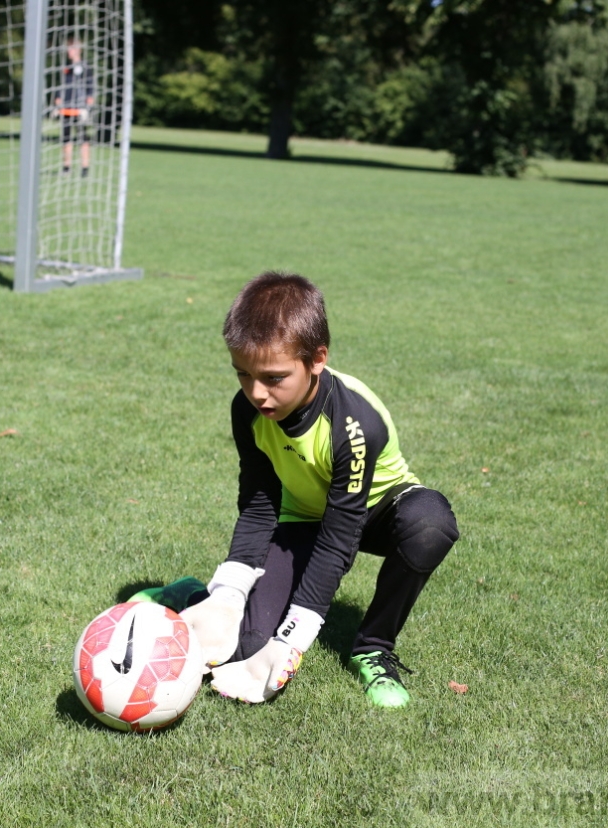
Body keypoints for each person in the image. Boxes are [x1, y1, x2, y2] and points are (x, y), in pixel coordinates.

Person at [132, 272, 459, 708]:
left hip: (374, 514)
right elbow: (259, 504)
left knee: (429, 525)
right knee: (242, 646)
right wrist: (228, 595)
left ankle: (373, 648)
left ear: (317, 359)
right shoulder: (246, 409)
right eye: (243, 375)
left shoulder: (353, 424)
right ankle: (194, 594)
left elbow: (340, 538)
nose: (256, 393)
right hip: (303, 518)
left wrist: (294, 637)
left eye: (273, 378)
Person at [55, 38, 94, 177]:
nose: (68, 52)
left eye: (71, 49)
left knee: (83, 137)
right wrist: (57, 101)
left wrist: (88, 107)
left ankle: (85, 169)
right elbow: (61, 87)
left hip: (80, 109)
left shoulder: (85, 67)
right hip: (67, 108)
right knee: (66, 138)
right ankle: (66, 168)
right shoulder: (66, 68)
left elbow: (90, 88)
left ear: (78, 50)